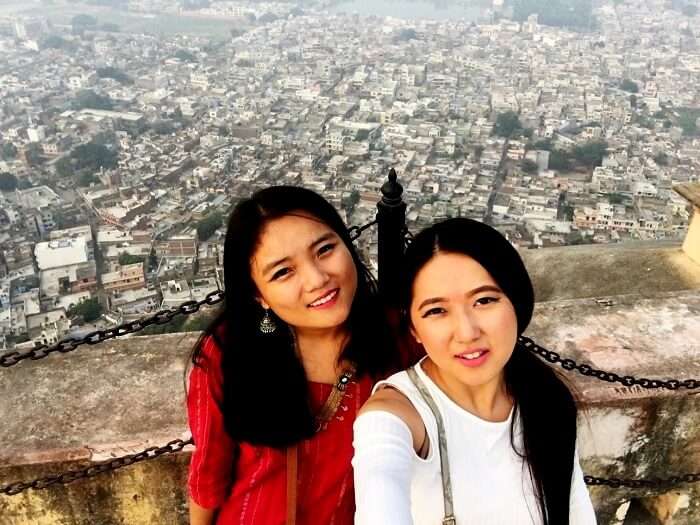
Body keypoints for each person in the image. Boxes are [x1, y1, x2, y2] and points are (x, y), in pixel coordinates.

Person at [353, 218, 597, 525]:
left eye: (484, 300)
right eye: (437, 311)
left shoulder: (545, 399)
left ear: (515, 302)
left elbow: (575, 511)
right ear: (413, 328)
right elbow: (380, 481)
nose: (467, 332)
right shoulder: (398, 416)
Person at [187, 186, 399, 525]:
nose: (317, 279)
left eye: (325, 249)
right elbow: (209, 475)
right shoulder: (228, 354)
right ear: (260, 295)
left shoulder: (398, 337)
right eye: (283, 272)